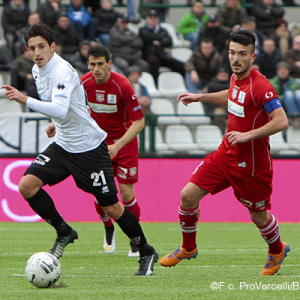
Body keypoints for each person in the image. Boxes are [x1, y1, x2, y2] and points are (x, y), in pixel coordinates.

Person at [1, 23, 158, 276]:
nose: (37, 52)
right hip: (63, 145)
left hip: (89, 148)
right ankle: (64, 231)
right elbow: (67, 108)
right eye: (32, 48)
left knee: (111, 208)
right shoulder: (36, 69)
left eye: (42, 46)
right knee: (27, 186)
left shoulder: (63, 70)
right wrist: (55, 124)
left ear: (53, 46)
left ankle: (146, 250)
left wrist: (24, 99)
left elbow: (61, 108)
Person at [159, 30, 290, 276]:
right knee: (187, 195)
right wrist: (201, 97)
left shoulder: (261, 86)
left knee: (258, 216)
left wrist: (247, 135)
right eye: (232, 53)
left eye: (242, 54)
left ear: (253, 56)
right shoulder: (235, 77)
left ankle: (276, 250)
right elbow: (232, 96)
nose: (236, 58)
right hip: (225, 154)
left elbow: (282, 121)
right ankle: (188, 248)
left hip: (252, 165)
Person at [81, 44, 146, 257]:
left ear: (109, 64)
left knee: (127, 194)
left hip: (124, 144)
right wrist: (57, 124)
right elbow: (73, 109)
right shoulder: (83, 83)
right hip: (98, 145)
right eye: (92, 64)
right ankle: (108, 227)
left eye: (101, 64)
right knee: (101, 194)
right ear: (88, 64)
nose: (96, 69)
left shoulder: (122, 85)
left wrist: (118, 146)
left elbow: (139, 121)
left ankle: (135, 239)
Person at [139, 9, 185, 85]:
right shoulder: (143, 30)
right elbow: (148, 37)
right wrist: (161, 39)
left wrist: (158, 43)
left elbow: (170, 41)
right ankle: (155, 85)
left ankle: (184, 85)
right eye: (151, 18)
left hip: (162, 55)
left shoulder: (162, 29)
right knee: (153, 62)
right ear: (147, 19)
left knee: (181, 65)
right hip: (150, 55)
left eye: (155, 18)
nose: (153, 20)